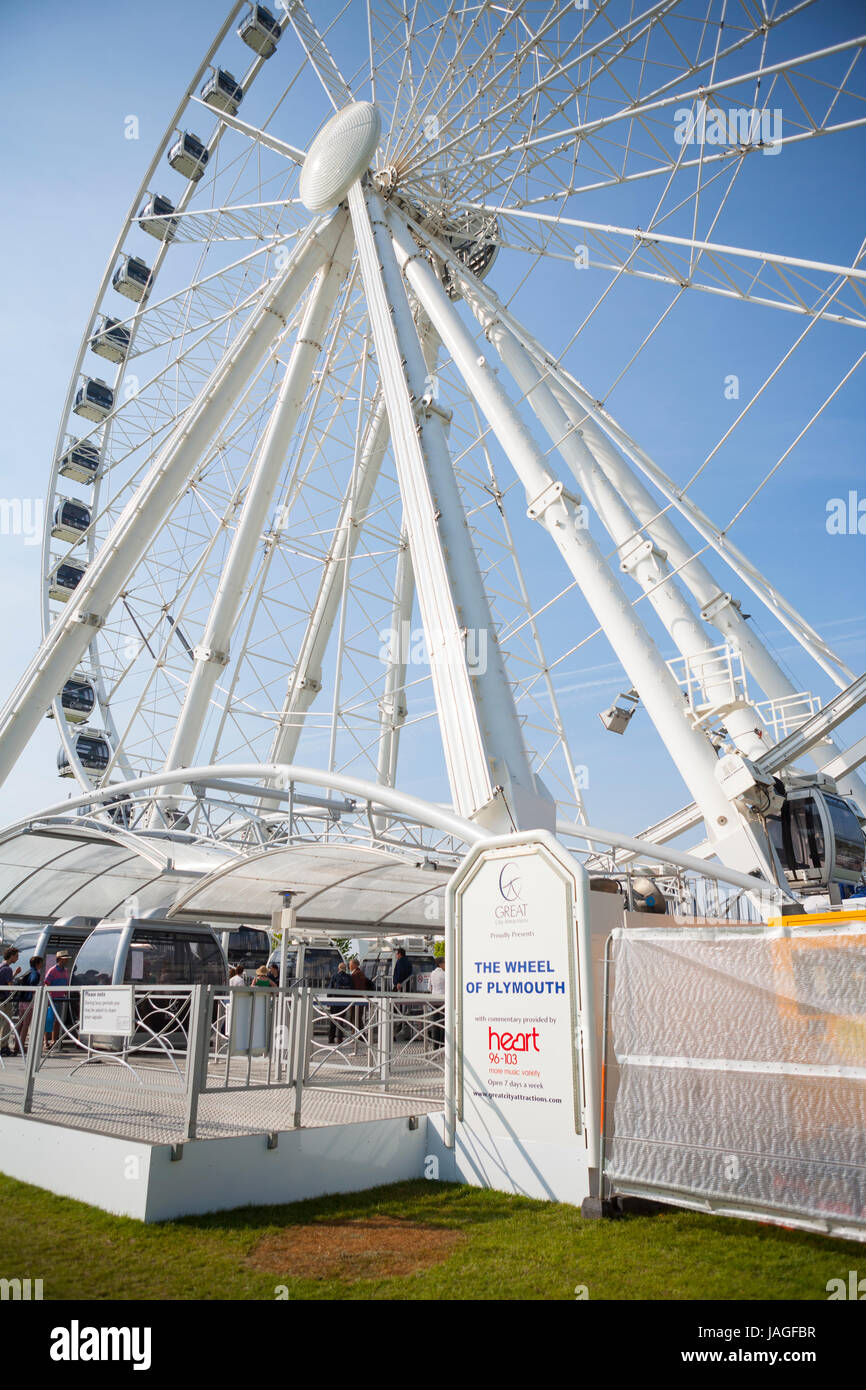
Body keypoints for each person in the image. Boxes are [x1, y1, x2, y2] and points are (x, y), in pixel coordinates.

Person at [43, 950, 71, 1052]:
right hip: (52, 999)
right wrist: (49, 997)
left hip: (61, 999)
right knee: (49, 1020)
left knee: (58, 1021)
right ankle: (46, 1041)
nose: (66, 960)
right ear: (59, 959)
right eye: (65, 959)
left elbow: (66, 984)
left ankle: (55, 1041)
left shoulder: (66, 971)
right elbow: (47, 984)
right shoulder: (52, 970)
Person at [15, 956, 44, 1053]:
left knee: (20, 1023)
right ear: (37, 963)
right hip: (29, 1001)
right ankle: (21, 1046)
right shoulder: (35, 973)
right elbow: (33, 981)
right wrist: (34, 990)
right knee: (26, 1024)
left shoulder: (27, 972)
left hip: (22, 1000)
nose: (41, 965)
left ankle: (16, 1045)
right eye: (41, 963)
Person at [0, 946, 20, 1057]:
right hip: (4, 1000)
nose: (17, 958)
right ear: (11, 956)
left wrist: (15, 975)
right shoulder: (7, 968)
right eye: (16, 956)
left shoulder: (1, 966)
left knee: (1, 1023)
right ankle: (3, 1047)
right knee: (6, 1024)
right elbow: (10, 986)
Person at [327, 960, 352, 1044]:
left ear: (339, 968)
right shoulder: (349, 977)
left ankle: (331, 1038)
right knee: (341, 1020)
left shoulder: (335, 976)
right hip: (344, 1002)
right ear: (345, 969)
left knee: (333, 1020)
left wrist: (328, 1000)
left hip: (334, 1001)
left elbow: (330, 988)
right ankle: (340, 1039)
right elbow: (352, 988)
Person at [392, 947, 414, 1041]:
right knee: (403, 1008)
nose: (396, 956)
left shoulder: (400, 962)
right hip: (407, 988)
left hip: (399, 987)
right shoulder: (408, 962)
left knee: (393, 1007)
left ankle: (395, 1030)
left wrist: (398, 982)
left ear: (399, 954)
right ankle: (399, 1027)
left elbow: (399, 972)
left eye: (397, 954)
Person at [428, 955, 446, 1049]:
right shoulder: (444, 974)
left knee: (435, 1022)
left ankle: (435, 1045)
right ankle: (443, 1044)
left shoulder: (432, 973)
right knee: (443, 1022)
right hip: (443, 1000)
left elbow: (429, 987)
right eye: (444, 962)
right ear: (440, 964)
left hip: (434, 999)